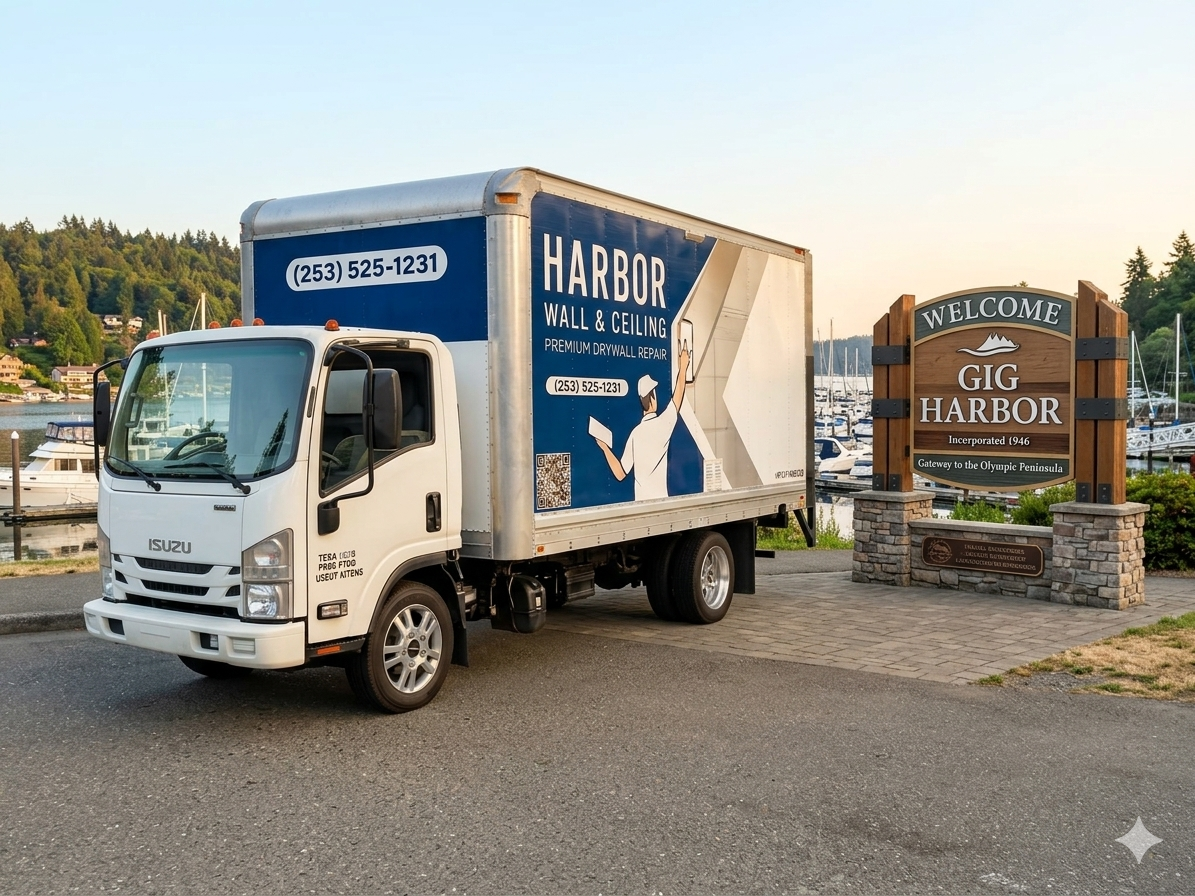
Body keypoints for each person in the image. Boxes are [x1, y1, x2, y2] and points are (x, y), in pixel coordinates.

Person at [595, 339, 690, 500]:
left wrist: (604, 448)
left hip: (641, 505)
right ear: (653, 398)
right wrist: (683, 367)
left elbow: (620, 473)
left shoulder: (635, 434)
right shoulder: (663, 424)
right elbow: (678, 396)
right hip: (661, 502)